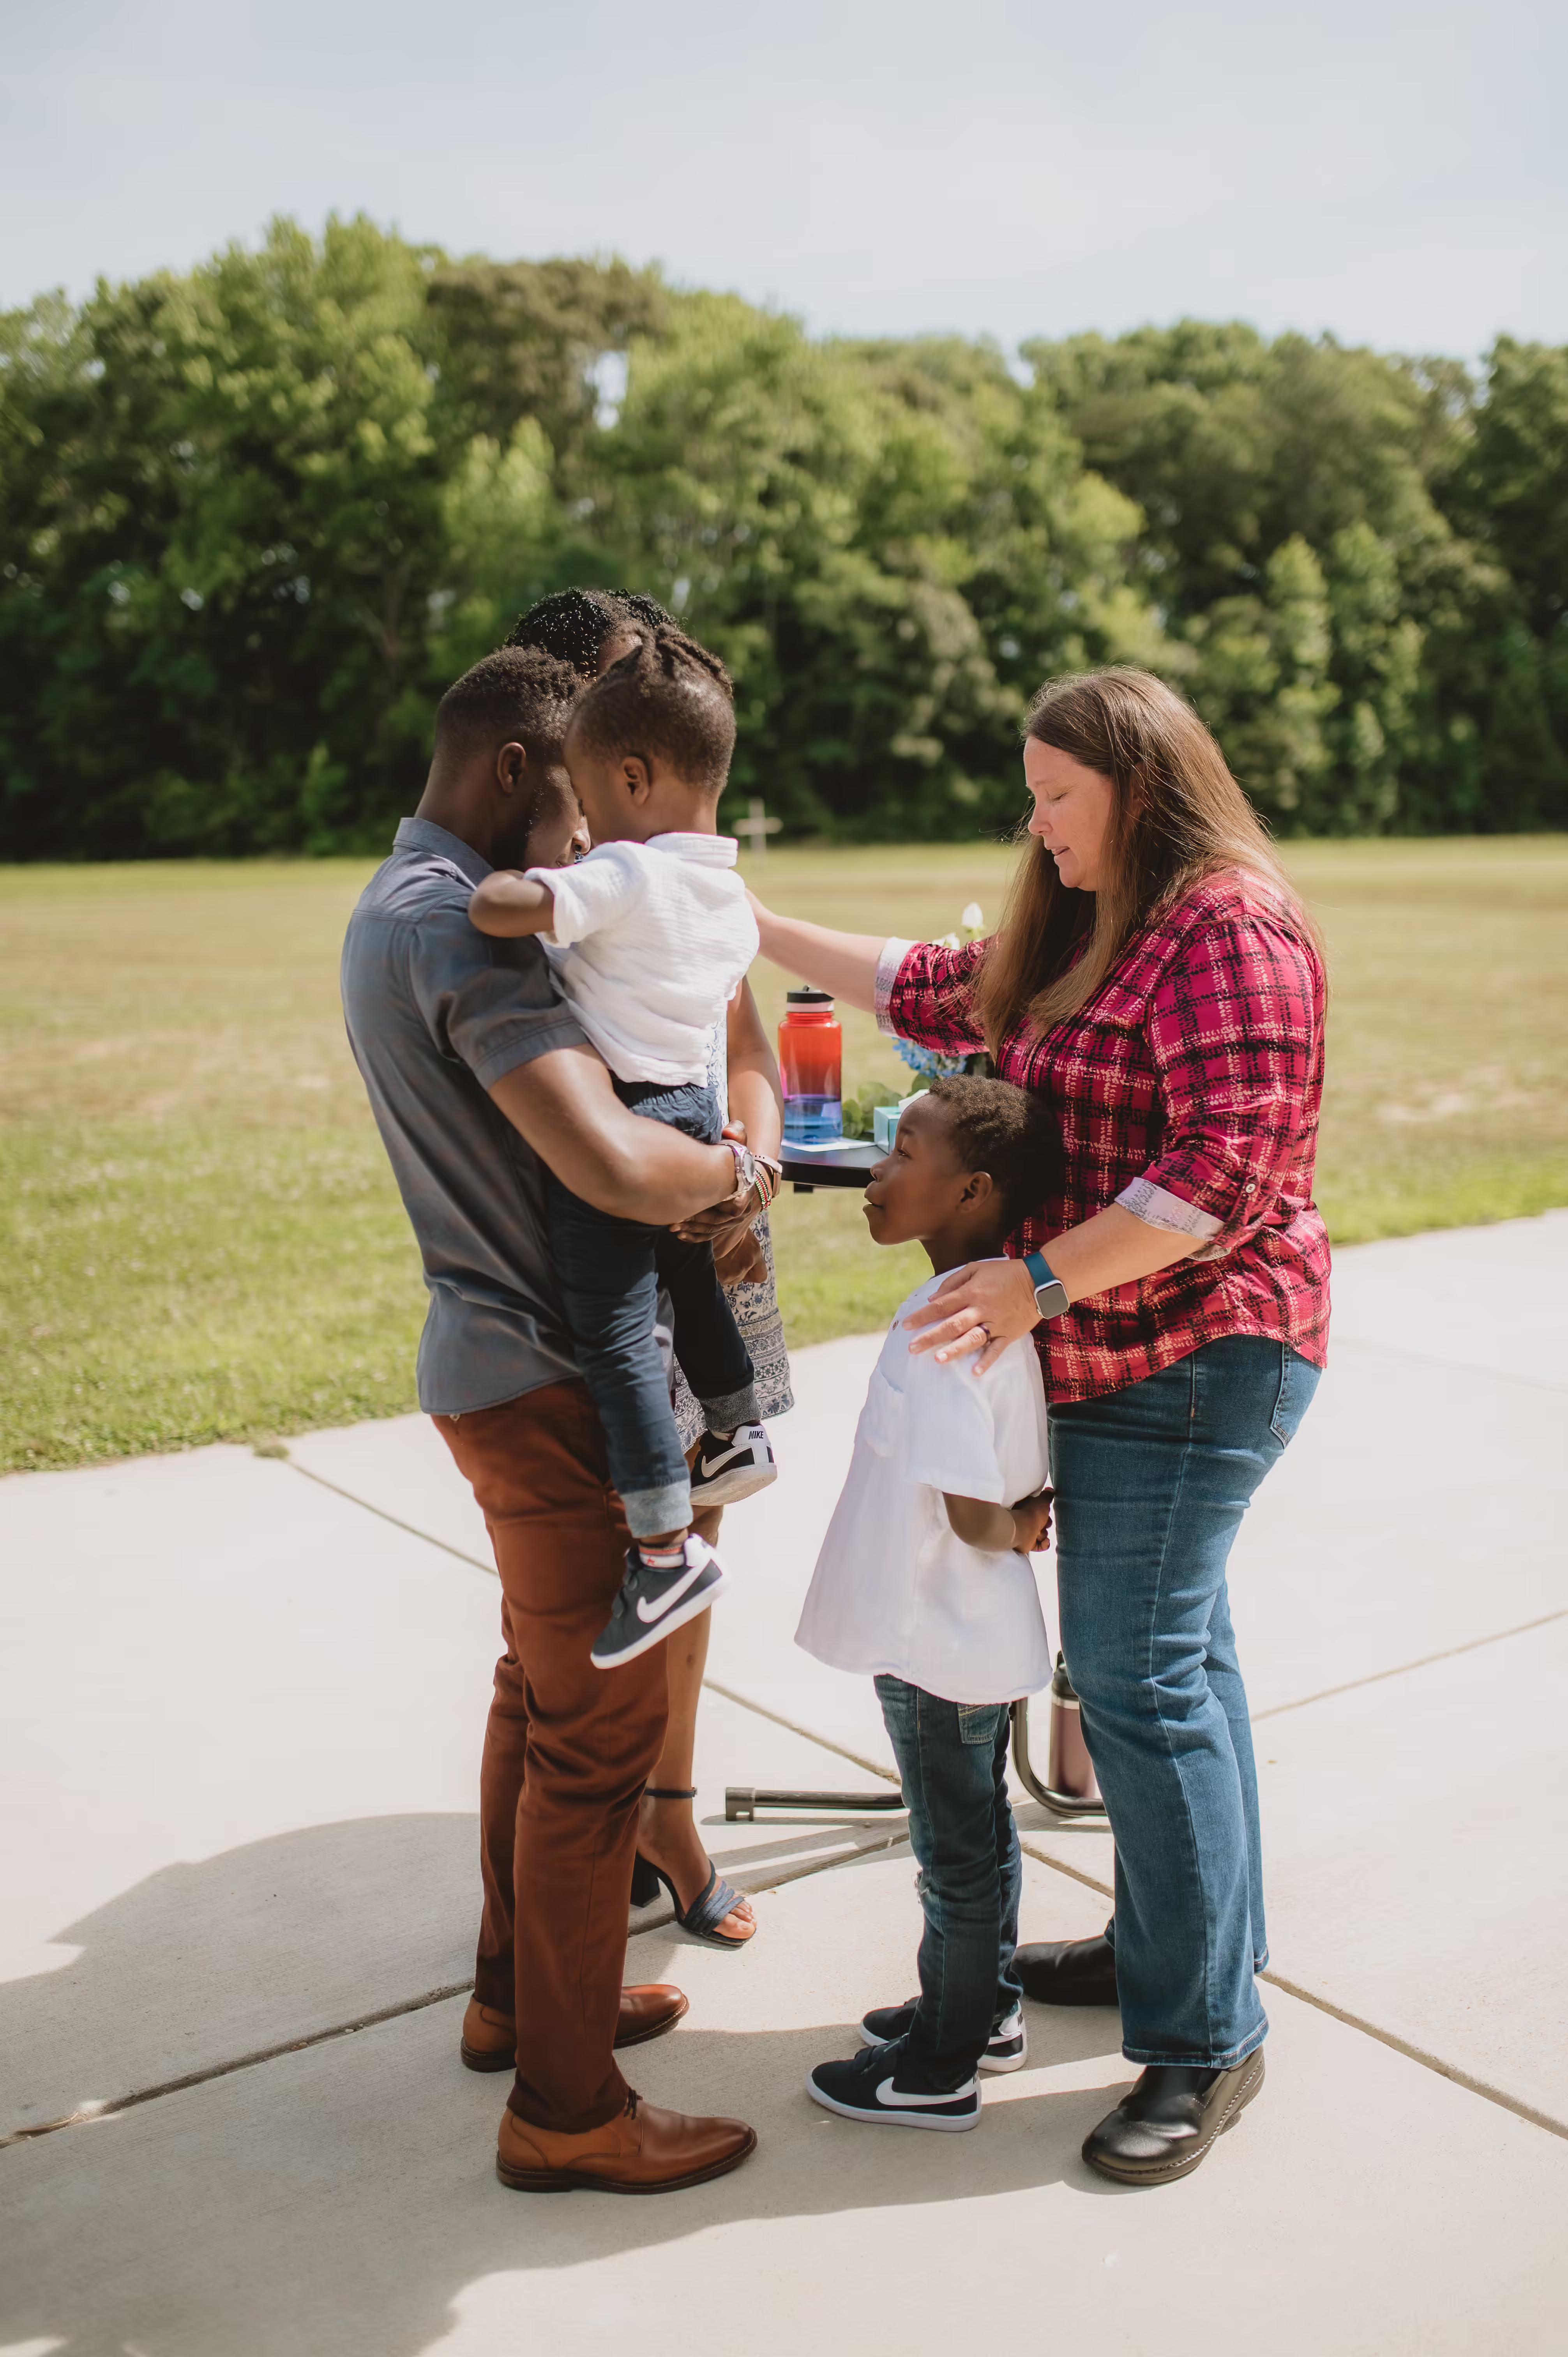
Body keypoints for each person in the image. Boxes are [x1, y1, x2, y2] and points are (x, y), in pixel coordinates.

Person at [750, 666, 1328, 2185]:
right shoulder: (1088, 926)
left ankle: (1207, 2041)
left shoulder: (1229, 927)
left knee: (1140, 1679)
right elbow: (931, 985)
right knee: (1177, 1663)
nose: (1038, 822)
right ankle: (1169, 1949)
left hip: (1202, 1353)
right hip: (1109, 1354)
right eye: (1032, 794)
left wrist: (1038, 1280)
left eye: (1057, 795)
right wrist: (753, 925)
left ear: (1141, 787)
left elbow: (1224, 1175)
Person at [341, 641, 757, 2194]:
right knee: (599, 1743)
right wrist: (742, 1177)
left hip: (489, 1362)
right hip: (546, 1380)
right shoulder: (463, 926)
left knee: (538, 1695)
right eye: (577, 810)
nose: (590, 845)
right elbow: (614, 1163)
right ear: (520, 769)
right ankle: (568, 2112)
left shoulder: (394, 903)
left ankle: (517, 2000)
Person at [507, 588, 791, 1948]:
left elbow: (745, 1041)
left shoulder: (674, 870)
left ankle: (667, 1807)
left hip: (716, 1215)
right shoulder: (565, 874)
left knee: (706, 1517)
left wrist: (753, 1166)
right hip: (607, 1234)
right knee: (601, 1542)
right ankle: (595, 1815)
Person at [468, 629, 778, 1670]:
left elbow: (516, 907)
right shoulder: (729, 898)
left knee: (615, 1332)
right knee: (692, 1282)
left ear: (635, 780)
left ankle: (662, 1550)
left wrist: (497, 884)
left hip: (630, 1119)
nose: (584, 827)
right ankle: (736, 1427)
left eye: (591, 799)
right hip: (694, 1110)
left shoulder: (630, 872)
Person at [796, 1080, 1058, 2131]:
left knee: (954, 1860)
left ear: (973, 1190)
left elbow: (974, 1514)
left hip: (934, 1642)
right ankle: (984, 2008)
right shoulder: (973, 1307)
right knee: (981, 1835)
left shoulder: (947, 1327)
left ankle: (938, 2068)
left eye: (905, 1152)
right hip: (965, 1636)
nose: (879, 1171)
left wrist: (1021, 1525)